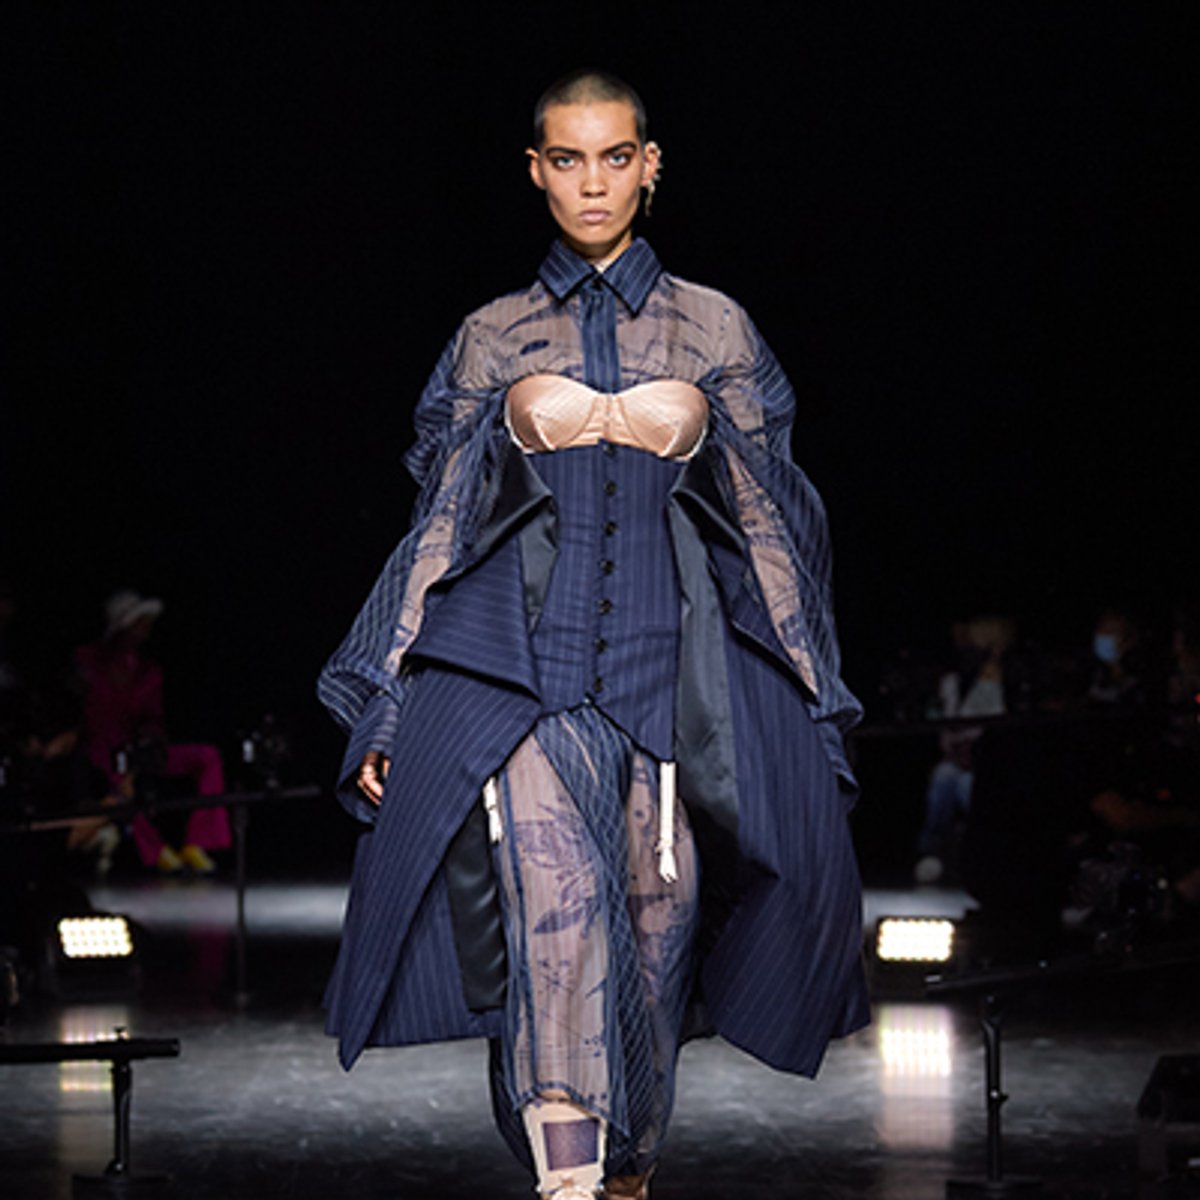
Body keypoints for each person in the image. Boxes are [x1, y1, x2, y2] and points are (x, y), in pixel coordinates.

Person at [319, 70, 867, 1200]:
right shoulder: (491, 335)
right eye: (567, 160)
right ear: (536, 171)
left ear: (650, 165)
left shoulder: (715, 325)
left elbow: (773, 525)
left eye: (615, 157)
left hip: (679, 682)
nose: (592, 182)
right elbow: (441, 527)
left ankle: (628, 1174)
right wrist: (386, 696)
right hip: (526, 671)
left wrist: (818, 706)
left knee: (658, 941)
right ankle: (566, 1185)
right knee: (555, 925)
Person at [75, 589, 230, 873]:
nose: (146, 631)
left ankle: (198, 842)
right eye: (140, 623)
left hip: (138, 748)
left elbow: (153, 717)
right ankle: (155, 850)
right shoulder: (88, 662)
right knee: (119, 780)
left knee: (207, 756)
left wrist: (151, 738)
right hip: (100, 750)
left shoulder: (148, 671)